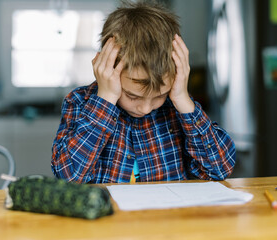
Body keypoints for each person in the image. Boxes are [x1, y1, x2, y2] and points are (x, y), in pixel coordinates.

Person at [51, 0, 236, 183]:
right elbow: (69, 177)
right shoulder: (79, 101)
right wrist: (106, 99)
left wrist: (182, 98)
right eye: (132, 96)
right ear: (107, 68)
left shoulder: (177, 105)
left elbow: (220, 169)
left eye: (160, 95)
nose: (146, 108)